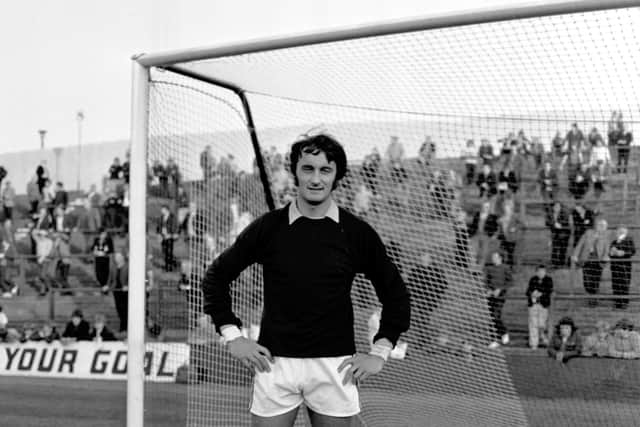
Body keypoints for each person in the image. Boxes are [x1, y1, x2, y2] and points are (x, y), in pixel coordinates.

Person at [202, 133, 410, 426]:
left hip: (335, 365)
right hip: (274, 362)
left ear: (338, 176)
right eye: (308, 168)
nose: (316, 179)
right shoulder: (269, 228)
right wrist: (233, 335)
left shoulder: (356, 233)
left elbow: (396, 295)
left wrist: (380, 351)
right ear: (295, 172)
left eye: (325, 170)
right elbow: (215, 277)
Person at [572, 218, 610, 306]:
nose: (602, 228)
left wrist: (605, 258)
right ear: (597, 226)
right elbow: (580, 244)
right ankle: (591, 295)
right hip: (587, 260)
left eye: (604, 226)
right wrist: (575, 255)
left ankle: (593, 300)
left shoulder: (606, 237)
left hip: (598, 262)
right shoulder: (588, 233)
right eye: (600, 225)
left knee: (595, 281)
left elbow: (607, 250)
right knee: (587, 281)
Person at [485, 251, 513, 349]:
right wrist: (488, 289)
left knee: (496, 316)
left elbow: (510, 282)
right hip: (491, 296)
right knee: (492, 318)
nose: (493, 259)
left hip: (500, 297)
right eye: (492, 257)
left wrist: (500, 289)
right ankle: (494, 339)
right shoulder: (489, 268)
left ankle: (504, 333)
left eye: (495, 257)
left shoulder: (505, 268)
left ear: (500, 258)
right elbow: (486, 281)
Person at [526, 265, 553, 349]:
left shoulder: (548, 280)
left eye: (543, 271)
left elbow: (549, 290)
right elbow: (528, 291)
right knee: (533, 324)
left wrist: (540, 294)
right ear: (536, 272)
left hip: (543, 305)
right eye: (539, 271)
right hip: (533, 305)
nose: (541, 273)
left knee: (542, 324)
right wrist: (532, 294)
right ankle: (534, 344)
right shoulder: (533, 279)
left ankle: (542, 336)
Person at [609, 226, 636, 310]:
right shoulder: (614, 242)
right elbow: (609, 253)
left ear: (625, 232)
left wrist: (623, 253)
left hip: (625, 266)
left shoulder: (629, 240)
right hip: (615, 266)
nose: (619, 232)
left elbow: (632, 251)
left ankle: (624, 302)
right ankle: (617, 302)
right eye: (618, 231)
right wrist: (612, 253)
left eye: (622, 231)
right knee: (615, 284)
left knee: (624, 284)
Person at [106, 252, 129, 333]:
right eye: (116, 257)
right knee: (119, 309)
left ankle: (125, 327)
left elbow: (132, 278)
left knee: (125, 309)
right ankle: (123, 326)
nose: (117, 259)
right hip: (116, 290)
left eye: (119, 257)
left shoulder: (128, 266)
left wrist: (128, 286)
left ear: (123, 257)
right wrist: (107, 286)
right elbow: (110, 278)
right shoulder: (113, 267)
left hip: (126, 291)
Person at [546, 201, 571, 268]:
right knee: (555, 248)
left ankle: (561, 263)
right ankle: (554, 263)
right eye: (555, 206)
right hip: (555, 234)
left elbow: (565, 221)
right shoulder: (551, 214)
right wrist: (554, 223)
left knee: (563, 249)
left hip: (564, 233)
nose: (557, 208)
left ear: (560, 207)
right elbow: (547, 222)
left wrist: (560, 224)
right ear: (553, 207)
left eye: (558, 206)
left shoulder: (564, 213)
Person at [157, 205, 178, 272]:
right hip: (163, 237)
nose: (161, 211)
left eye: (162, 209)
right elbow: (158, 227)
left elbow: (174, 227)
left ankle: (169, 267)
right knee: (164, 252)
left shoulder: (172, 217)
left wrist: (171, 234)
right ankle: (169, 264)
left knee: (169, 252)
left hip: (169, 237)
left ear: (166, 210)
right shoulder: (161, 217)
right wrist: (159, 234)